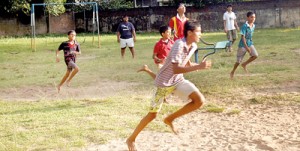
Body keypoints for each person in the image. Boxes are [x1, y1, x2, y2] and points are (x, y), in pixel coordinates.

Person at [126, 20, 212, 151]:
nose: (201, 34)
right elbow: (176, 69)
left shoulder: (193, 46)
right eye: (199, 31)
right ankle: (131, 139)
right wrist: (198, 67)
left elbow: (186, 64)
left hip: (178, 81)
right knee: (152, 115)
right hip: (163, 84)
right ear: (189, 32)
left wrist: (199, 66)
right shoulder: (179, 44)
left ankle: (169, 119)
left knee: (199, 101)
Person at [230, 11, 257, 79]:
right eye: (251, 17)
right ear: (247, 18)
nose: (253, 19)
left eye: (254, 17)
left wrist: (250, 44)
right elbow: (243, 37)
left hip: (250, 43)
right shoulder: (245, 26)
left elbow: (250, 36)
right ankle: (232, 71)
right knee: (238, 61)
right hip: (242, 45)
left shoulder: (253, 25)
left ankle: (244, 64)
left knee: (255, 55)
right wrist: (246, 47)